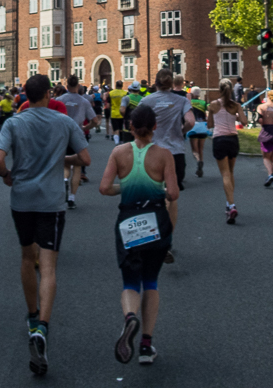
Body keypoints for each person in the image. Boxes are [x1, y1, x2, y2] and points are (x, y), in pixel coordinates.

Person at [0, 74, 91, 376]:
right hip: (52, 202)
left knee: (26, 257)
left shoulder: (14, 122)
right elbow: (85, 158)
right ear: (48, 93)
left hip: (21, 198)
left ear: (24, 94)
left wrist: (7, 175)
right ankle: (43, 329)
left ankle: (32, 316)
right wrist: (63, 156)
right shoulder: (64, 122)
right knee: (48, 266)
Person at [99, 105, 179, 366]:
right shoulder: (164, 155)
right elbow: (174, 193)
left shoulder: (118, 153)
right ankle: (146, 345)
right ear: (155, 126)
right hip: (155, 221)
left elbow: (103, 187)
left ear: (130, 126)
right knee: (151, 282)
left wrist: (126, 188)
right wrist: (160, 193)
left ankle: (129, 316)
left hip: (128, 222)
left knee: (130, 281)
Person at [138, 70, 194, 262]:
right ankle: (167, 240)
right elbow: (191, 121)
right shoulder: (182, 100)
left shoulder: (147, 101)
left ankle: (149, 237)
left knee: (151, 195)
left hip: (152, 151)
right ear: (171, 84)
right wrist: (181, 131)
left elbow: (136, 123)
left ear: (155, 83)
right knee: (172, 195)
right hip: (175, 152)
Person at [207, 79, 247, 224]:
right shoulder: (236, 105)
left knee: (225, 174)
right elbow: (245, 122)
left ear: (219, 89)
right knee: (230, 172)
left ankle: (231, 205)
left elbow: (210, 124)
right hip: (232, 140)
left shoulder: (213, 104)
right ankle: (229, 202)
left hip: (219, 139)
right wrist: (237, 115)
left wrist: (212, 114)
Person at [60, 75, 96, 209]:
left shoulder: (60, 100)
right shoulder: (84, 101)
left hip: (63, 134)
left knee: (65, 163)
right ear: (78, 86)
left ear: (67, 86)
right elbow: (95, 120)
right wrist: (87, 127)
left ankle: (64, 180)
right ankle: (72, 198)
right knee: (77, 167)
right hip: (78, 134)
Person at [187, 86, 210, 177]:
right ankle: (201, 162)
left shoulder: (189, 102)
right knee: (201, 149)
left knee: (194, 150)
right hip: (203, 126)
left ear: (192, 94)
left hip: (193, 127)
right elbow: (210, 109)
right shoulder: (204, 102)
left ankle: (198, 161)